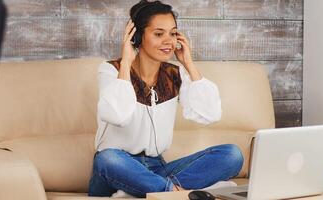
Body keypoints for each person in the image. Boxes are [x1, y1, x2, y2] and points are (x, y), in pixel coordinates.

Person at [88, 0, 244, 198]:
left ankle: (151, 191)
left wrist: (188, 63)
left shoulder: (174, 74)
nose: (168, 41)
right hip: (119, 168)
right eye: (159, 34)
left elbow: (210, 113)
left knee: (231, 155)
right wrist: (126, 62)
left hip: (157, 168)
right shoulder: (112, 70)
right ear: (137, 37)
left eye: (173, 33)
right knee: (107, 158)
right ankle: (172, 193)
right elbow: (118, 116)